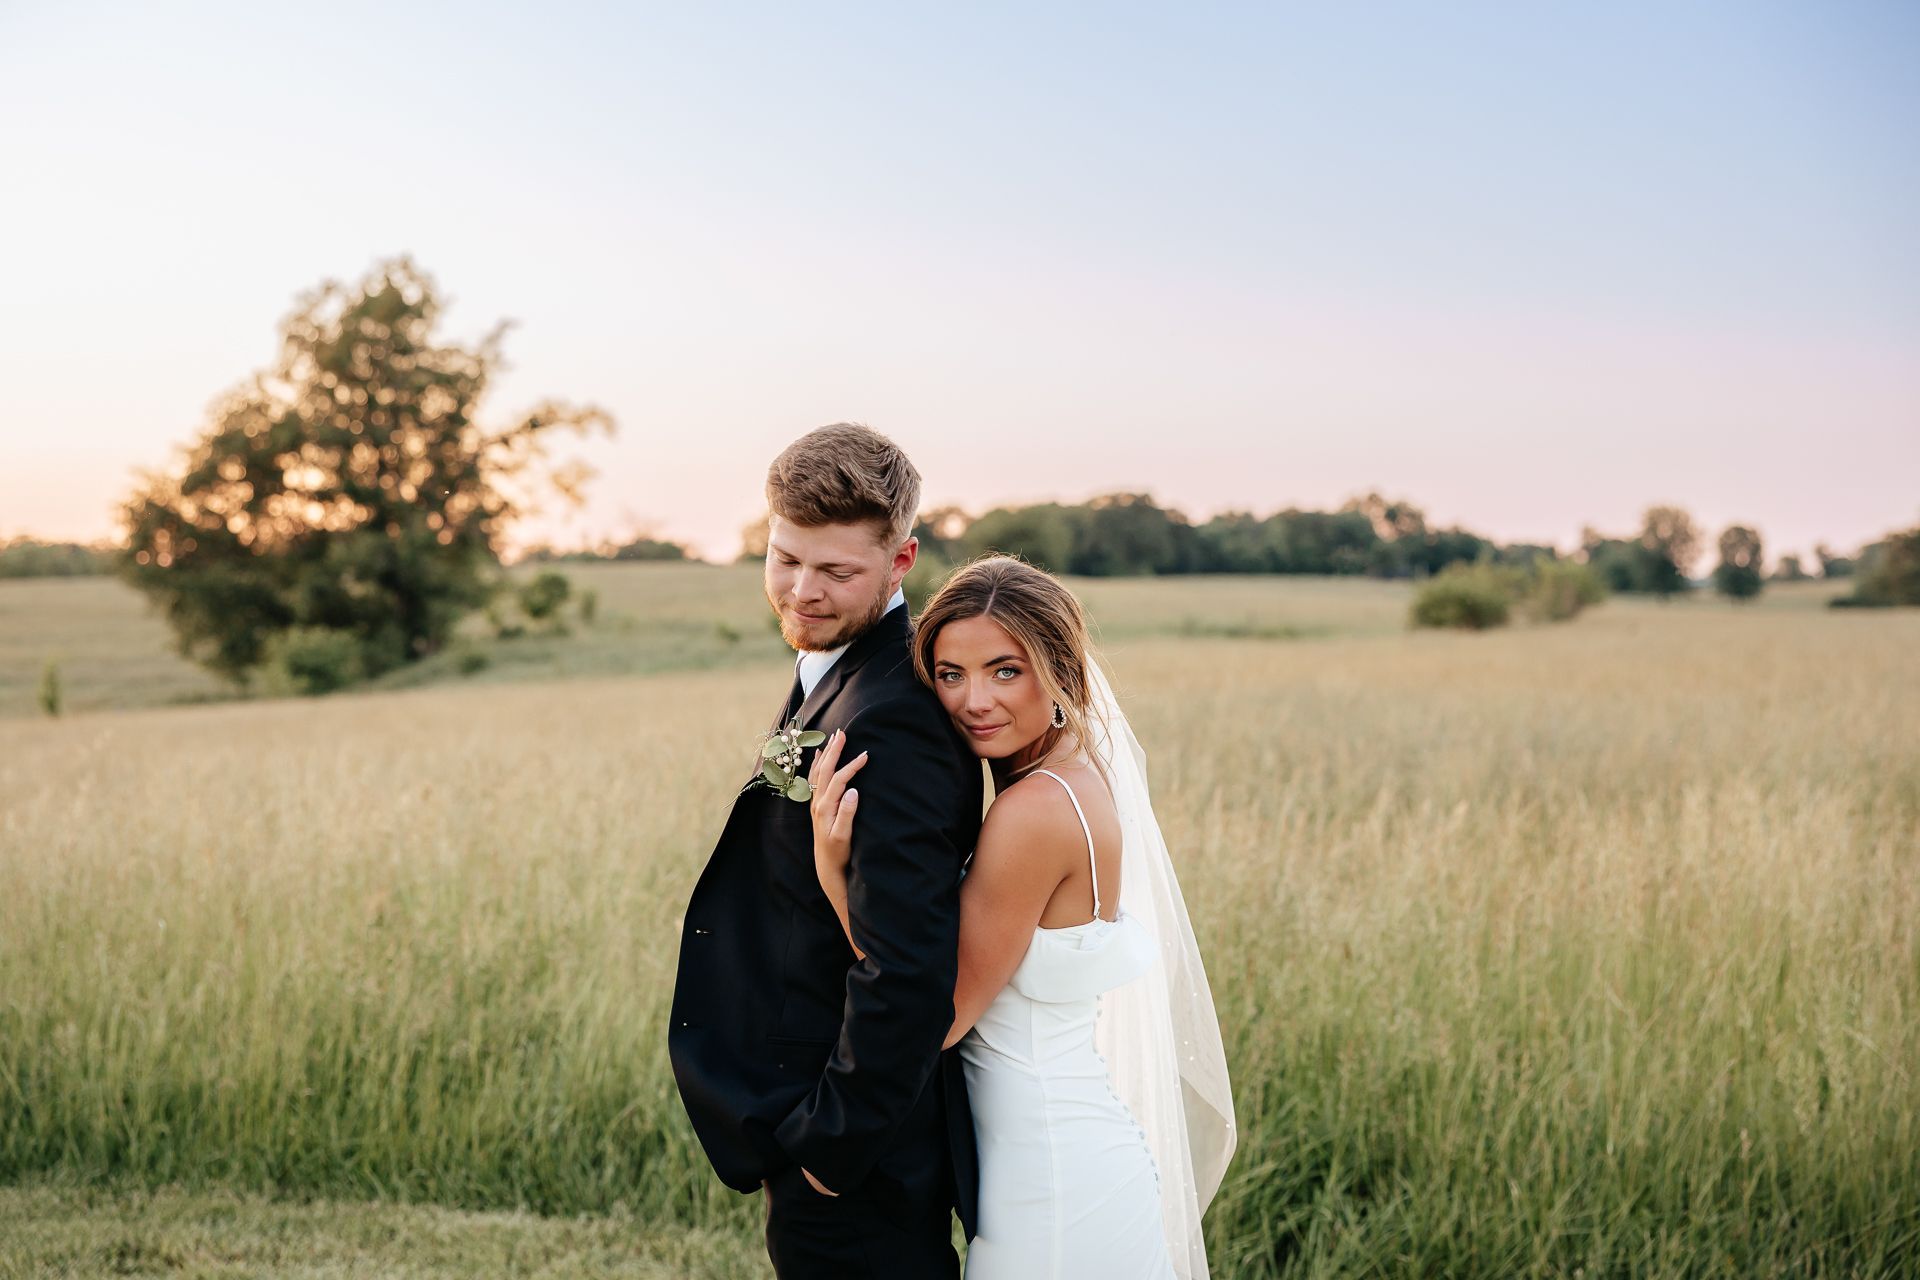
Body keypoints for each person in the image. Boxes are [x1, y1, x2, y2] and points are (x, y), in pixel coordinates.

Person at [807, 555, 1237, 1280]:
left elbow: (933, 1013)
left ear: (1061, 669)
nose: (975, 700)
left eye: (1006, 671)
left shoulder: (1031, 813)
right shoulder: (1075, 775)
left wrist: (830, 869)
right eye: (951, 675)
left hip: (1052, 1183)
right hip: (1066, 1155)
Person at [668, 423, 981, 1280]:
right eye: (784, 559)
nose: (801, 591)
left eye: (836, 572)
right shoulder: (837, 669)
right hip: (813, 1117)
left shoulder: (896, 719)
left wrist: (826, 1152)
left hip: (856, 1155)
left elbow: (910, 969)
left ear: (901, 560)